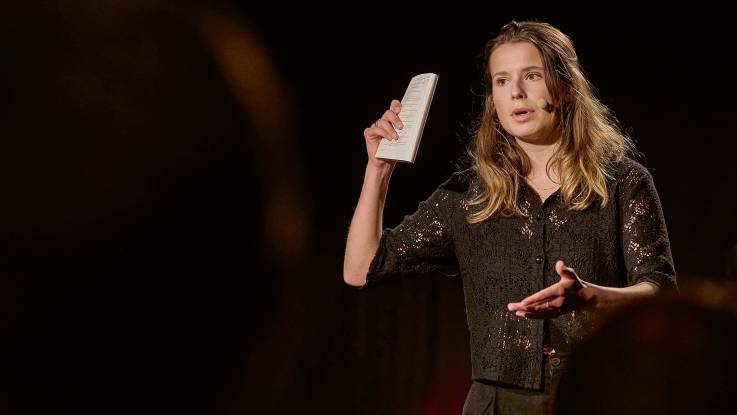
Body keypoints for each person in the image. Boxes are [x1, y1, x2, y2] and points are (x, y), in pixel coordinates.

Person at [343, 20, 676, 414]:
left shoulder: (622, 182)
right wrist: (377, 171)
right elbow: (362, 268)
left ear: (567, 89)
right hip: (497, 403)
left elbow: (658, 291)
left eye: (532, 76)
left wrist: (588, 296)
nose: (516, 91)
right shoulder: (468, 194)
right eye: (502, 81)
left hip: (595, 393)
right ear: (493, 100)